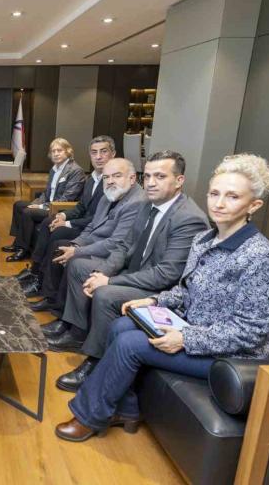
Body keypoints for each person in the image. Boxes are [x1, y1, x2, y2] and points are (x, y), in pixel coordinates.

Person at [56, 153, 269, 442]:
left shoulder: (261, 256)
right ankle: (126, 409)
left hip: (228, 354)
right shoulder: (205, 240)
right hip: (189, 326)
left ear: (254, 205)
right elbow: (186, 290)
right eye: (214, 193)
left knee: (129, 343)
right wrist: (154, 301)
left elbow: (251, 332)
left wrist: (186, 339)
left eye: (233, 196)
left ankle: (89, 415)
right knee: (121, 325)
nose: (219, 203)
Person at [47, 151, 209, 388]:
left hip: (159, 289)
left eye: (160, 176)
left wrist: (109, 282)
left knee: (105, 293)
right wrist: (103, 272)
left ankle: (96, 363)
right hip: (134, 271)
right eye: (148, 176)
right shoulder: (148, 204)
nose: (151, 183)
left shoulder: (188, 218)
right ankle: (76, 332)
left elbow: (166, 275)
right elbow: (124, 246)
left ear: (179, 181)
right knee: (80, 266)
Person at [34, 158, 147, 317]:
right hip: (97, 244)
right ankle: (50, 298)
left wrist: (77, 251)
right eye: (106, 177)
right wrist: (76, 244)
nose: (110, 181)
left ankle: (60, 311)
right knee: (60, 247)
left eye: (117, 176)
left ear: (132, 178)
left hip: (112, 254)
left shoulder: (137, 202)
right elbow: (92, 226)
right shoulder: (109, 195)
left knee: (73, 259)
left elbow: (116, 243)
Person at [17, 136, 115, 294]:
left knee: (58, 232)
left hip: (94, 229)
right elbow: (81, 206)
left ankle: (40, 280)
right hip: (84, 222)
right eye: (94, 152)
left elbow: (100, 218)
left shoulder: (113, 182)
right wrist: (63, 216)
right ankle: (35, 272)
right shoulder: (92, 179)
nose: (98, 157)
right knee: (50, 221)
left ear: (113, 154)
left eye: (103, 152)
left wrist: (68, 223)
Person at [4, 138, 86, 262]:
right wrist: (35, 203)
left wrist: (41, 207)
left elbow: (67, 198)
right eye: (53, 151)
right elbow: (47, 193)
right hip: (49, 204)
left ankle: (23, 250)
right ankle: (18, 243)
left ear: (68, 151)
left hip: (60, 209)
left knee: (28, 212)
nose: (56, 154)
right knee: (18, 205)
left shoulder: (75, 171)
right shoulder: (54, 169)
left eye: (59, 150)